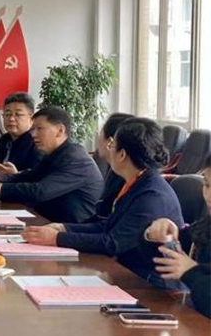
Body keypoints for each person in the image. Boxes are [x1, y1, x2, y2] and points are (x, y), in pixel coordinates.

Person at [23, 117, 184, 288]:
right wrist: (63, 228)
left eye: (112, 145)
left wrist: (57, 238)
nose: (108, 148)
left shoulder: (151, 195)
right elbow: (108, 226)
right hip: (126, 273)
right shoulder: (137, 182)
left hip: (151, 286)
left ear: (122, 154)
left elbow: (113, 243)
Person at [0, 106, 103, 223]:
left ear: (60, 130)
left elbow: (40, 191)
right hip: (46, 222)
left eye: (39, 129)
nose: (33, 134)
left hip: (70, 231)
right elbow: (29, 175)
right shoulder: (56, 153)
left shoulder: (76, 159)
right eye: (33, 129)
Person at [142, 155, 211, 315]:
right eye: (207, 185)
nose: (208, 196)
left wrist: (190, 272)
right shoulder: (206, 225)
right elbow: (159, 259)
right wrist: (154, 236)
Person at [92, 113, 135, 219]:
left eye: (101, 132)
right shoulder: (115, 170)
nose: (98, 137)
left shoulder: (128, 177)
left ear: (111, 141)